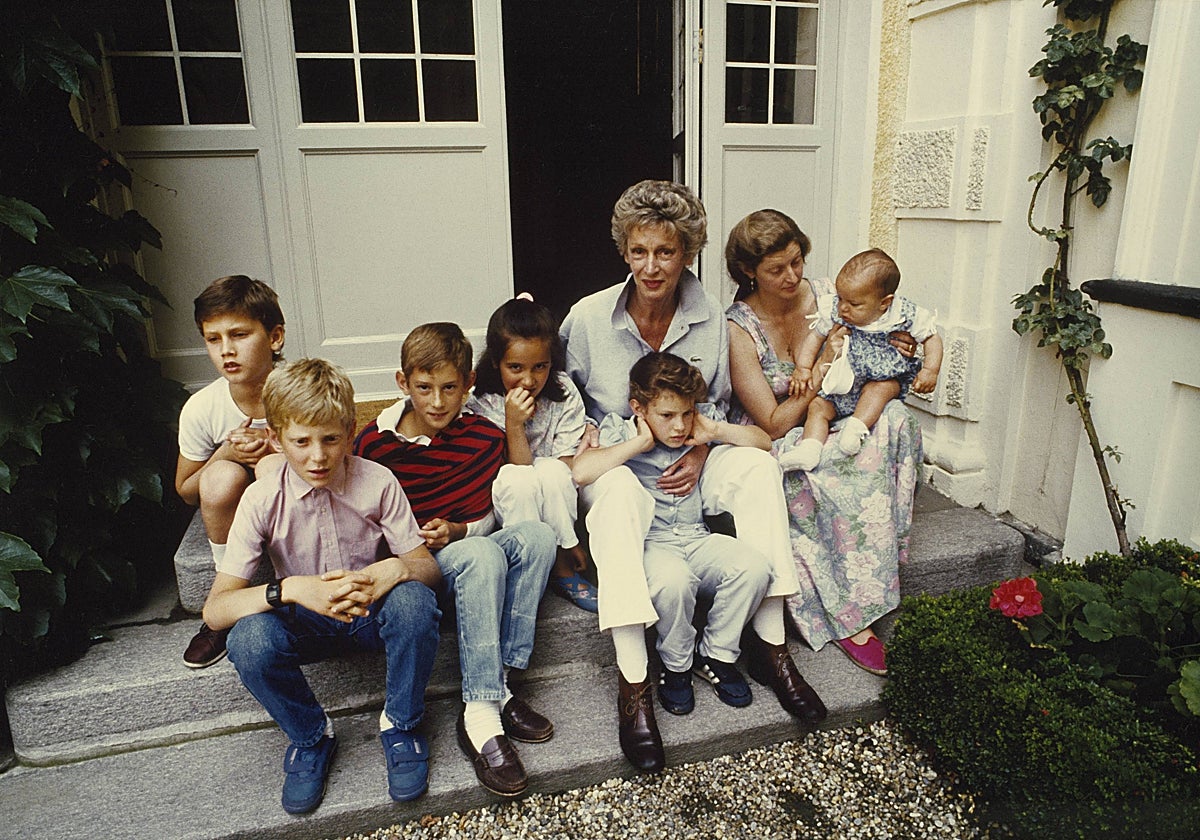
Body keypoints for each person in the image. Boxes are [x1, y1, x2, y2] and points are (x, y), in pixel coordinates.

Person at [560, 180, 826, 774]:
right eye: (639, 252)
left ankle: (772, 646)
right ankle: (635, 680)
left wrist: (703, 449)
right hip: (621, 464)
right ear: (624, 252)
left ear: (688, 252)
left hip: (692, 461)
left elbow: (722, 409)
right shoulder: (587, 318)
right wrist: (589, 439)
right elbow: (561, 398)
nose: (652, 267)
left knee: (757, 466)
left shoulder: (712, 320)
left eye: (666, 251)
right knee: (616, 494)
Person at [202, 358, 443, 815]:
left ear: (350, 433)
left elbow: (428, 569)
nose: (318, 456)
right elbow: (215, 611)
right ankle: (311, 737)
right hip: (305, 621)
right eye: (301, 441)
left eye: (331, 439)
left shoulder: (378, 482)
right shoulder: (261, 499)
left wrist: (394, 570)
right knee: (248, 639)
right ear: (276, 439)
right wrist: (291, 589)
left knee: (415, 601)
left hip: (370, 613)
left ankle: (401, 724)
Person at [353, 322, 557, 798]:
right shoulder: (374, 445)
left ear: (468, 384)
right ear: (403, 383)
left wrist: (460, 530)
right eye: (424, 388)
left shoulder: (482, 437)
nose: (438, 402)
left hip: (472, 558)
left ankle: (500, 684)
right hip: (415, 574)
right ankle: (479, 716)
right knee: (479, 554)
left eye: (449, 388)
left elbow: (489, 515)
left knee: (536, 536)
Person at [725, 209, 925, 676]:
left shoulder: (830, 297)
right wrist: (818, 372)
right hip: (783, 431)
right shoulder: (738, 327)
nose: (792, 276)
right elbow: (772, 424)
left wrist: (900, 345)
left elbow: (887, 332)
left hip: (842, 409)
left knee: (895, 418)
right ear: (749, 271)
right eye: (776, 269)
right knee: (815, 468)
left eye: (797, 261)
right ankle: (848, 612)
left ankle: (878, 566)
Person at [573, 353, 774, 725]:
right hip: (653, 544)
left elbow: (763, 442)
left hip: (696, 537)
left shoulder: (699, 424)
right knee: (673, 582)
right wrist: (639, 444)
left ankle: (717, 654)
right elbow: (581, 471)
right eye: (667, 415)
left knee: (755, 568)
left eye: (686, 412)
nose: (680, 425)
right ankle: (676, 664)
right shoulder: (621, 429)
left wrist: (714, 432)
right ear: (639, 408)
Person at [176, 275, 286, 669]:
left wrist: (275, 450)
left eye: (239, 335)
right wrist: (227, 452)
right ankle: (227, 598)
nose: (226, 350)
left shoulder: (302, 388)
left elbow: (342, 462)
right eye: (213, 339)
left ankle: (295, 584)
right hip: (234, 510)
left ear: (275, 337)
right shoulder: (203, 407)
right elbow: (187, 490)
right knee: (220, 477)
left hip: (298, 501)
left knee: (273, 466)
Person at [466, 294, 597, 612]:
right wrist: (513, 423)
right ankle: (526, 568)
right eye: (515, 367)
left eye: (540, 367)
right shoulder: (481, 403)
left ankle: (562, 564)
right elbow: (513, 468)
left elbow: (567, 467)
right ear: (495, 362)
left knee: (551, 470)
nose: (528, 379)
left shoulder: (562, 392)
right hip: (510, 503)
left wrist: (567, 536)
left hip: (557, 497)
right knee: (519, 477)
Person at [780, 248, 942, 472]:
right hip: (844, 384)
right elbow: (815, 337)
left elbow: (932, 337)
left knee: (880, 389)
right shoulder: (836, 311)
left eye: (854, 304)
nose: (843, 308)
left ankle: (855, 429)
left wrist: (930, 370)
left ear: (884, 303)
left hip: (881, 379)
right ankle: (809, 450)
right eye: (840, 298)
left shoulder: (902, 313)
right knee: (817, 407)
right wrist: (803, 368)